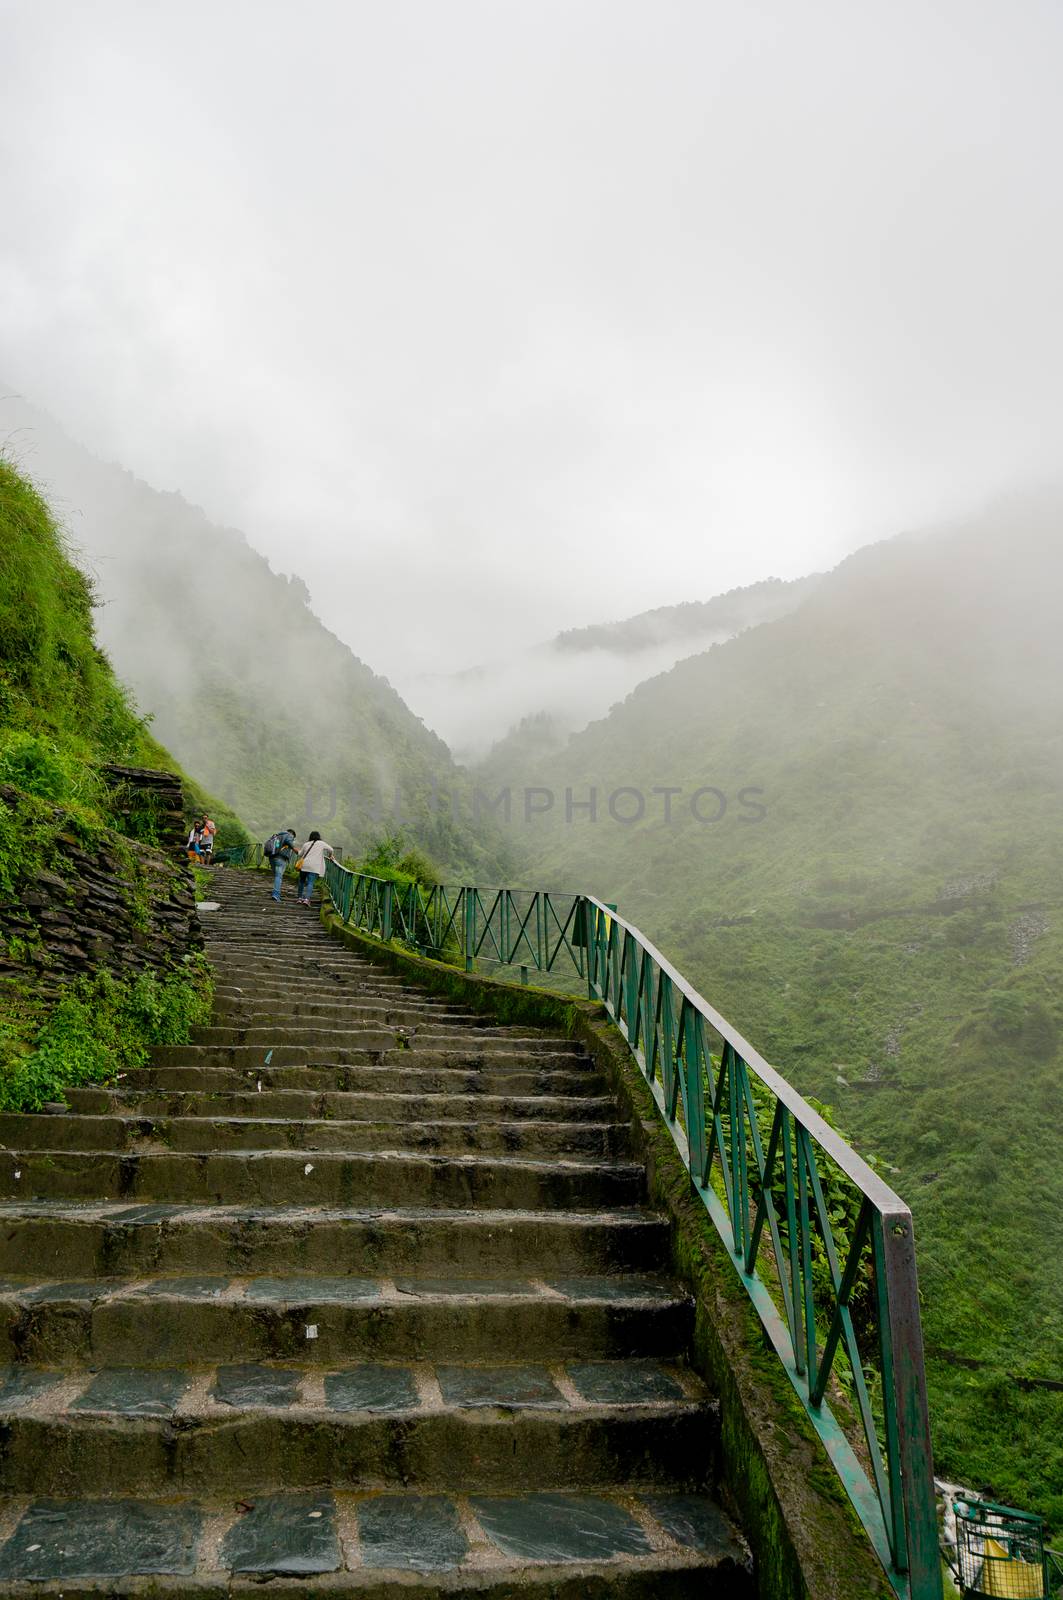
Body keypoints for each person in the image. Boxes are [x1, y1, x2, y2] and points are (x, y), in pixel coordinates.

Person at [295, 830, 333, 904]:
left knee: (301, 882)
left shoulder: (306, 844)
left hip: (304, 865)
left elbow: (300, 854)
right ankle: (306, 899)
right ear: (319, 837)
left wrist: (293, 848)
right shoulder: (321, 843)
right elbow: (331, 849)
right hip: (314, 867)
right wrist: (330, 855)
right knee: (310, 883)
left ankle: (299, 898)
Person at [264, 827, 298, 901]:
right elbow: (289, 841)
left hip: (272, 858)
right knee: (278, 877)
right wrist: (295, 849)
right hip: (280, 858)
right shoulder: (289, 835)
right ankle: (276, 895)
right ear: (292, 834)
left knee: (277, 876)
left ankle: (276, 893)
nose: (293, 839)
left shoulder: (277, 836)